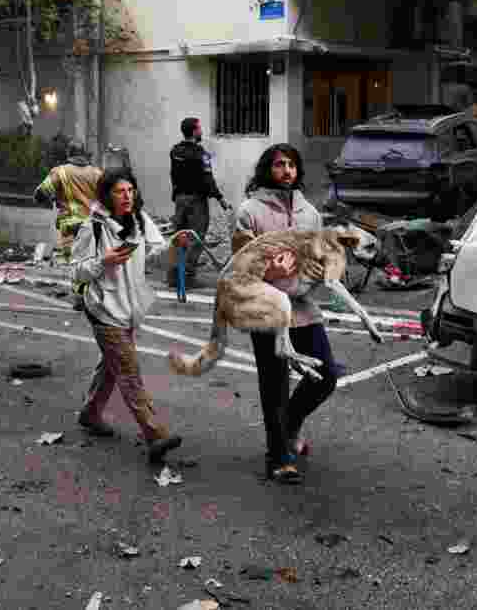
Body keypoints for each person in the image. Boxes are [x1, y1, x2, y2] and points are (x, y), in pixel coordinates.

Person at [233, 144, 337, 484]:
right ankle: (279, 456)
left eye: (291, 164)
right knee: (274, 383)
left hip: (304, 309)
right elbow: (240, 265)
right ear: (267, 169)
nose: (287, 170)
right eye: (279, 165)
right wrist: (270, 271)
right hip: (264, 310)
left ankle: (289, 425)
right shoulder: (249, 211)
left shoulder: (310, 212)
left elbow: (320, 257)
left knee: (327, 374)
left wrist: (322, 272)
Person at [71, 167, 183, 464]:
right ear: (107, 195)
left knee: (112, 366)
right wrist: (101, 262)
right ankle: (155, 434)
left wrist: (175, 245)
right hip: (104, 310)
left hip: (129, 309)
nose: (127, 197)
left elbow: (155, 255)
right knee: (128, 371)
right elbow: (75, 271)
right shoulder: (92, 227)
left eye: (131, 191)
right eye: (120, 192)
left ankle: (91, 413)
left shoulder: (139, 221)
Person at [34, 138, 103, 308]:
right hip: (92, 224)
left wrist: (51, 199)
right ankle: (90, 293)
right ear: (84, 153)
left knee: (75, 261)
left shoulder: (60, 172)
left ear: (69, 153)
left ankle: (80, 297)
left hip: (70, 225)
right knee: (89, 259)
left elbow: (41, 193)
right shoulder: (96, 173)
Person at [168, 117, 232, 288]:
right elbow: (208, 179)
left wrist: (176, 195)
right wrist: (220, 198)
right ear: (195, 131)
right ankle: (187, 276)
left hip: (180, 200)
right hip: (197, 202)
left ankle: (174, 276)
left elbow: (173, 175)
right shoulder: (202, 154)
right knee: (196, 237)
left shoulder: (175, 152)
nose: (201, 131)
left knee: (179, 237)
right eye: (199, 128)